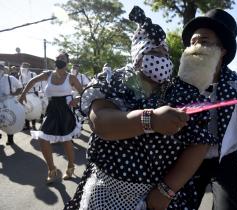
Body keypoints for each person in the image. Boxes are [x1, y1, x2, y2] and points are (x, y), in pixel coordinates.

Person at [65, 6, 221, 210]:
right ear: (138, 52)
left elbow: (199, 143)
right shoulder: (114, 80)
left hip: (157, 200)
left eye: (164, 53)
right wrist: (150, 120)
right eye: (154, 51)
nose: (161, 57)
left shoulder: (179, 92)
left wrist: (165, 192)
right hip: (105, 193)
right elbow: (100, 122)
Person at [180, 9, 237, 210]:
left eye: (205, 41)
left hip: (225, 160)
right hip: (189, 156)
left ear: (222, 50)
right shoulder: (182, 85)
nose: (196, 47)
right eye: (193, 42)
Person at [18, 52, 83, 183]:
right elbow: (33, 81)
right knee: (43, 139)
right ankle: (51, 169)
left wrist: (77, 98)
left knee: (66, 140)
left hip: (65, 111)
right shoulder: (48, 74)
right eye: (58, 58)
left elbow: (84, 93)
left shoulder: (71, 78)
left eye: (63, 58)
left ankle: (70, 166)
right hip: (51, 111)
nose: (59, 60)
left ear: (67, 62)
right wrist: (24, 93)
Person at [0, 64, 23, 145]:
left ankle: (10, 139)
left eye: (1, 68)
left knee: (8, 120)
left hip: (9, 102)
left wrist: (13, 94)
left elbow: (20, 87)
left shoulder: (10, 78)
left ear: (3, 69)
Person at [19, 62, 39, 130]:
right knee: (25, 110)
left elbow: (38, 83)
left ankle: (33, 125)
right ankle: (27, 125)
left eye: (25, 66)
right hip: (24, 95)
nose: (23, 68)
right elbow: (20, 86)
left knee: (34, 110)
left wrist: (35, 91)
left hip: (32, 94)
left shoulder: (33, 74)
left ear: (28, 67)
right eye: (22, 66)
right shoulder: (20, 76)